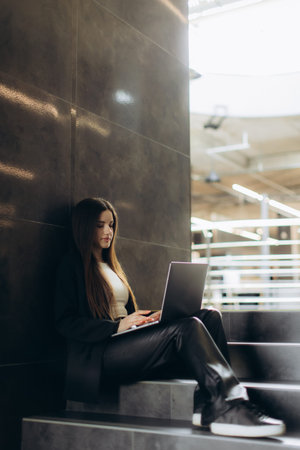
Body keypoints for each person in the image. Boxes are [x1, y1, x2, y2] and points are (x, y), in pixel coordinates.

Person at [55, 197, 285, 438]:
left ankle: (207, 404)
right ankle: (228, 405)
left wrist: (149, 318)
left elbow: (122, 311)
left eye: (111, 225)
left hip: (124, 343)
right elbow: (64, 322)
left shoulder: (111, 265)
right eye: (99, 225)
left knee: (210, 316)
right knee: (187, 327)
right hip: (100, 355)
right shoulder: (70, 266)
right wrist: (115, 326)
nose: (108, 231)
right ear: (84, 227)